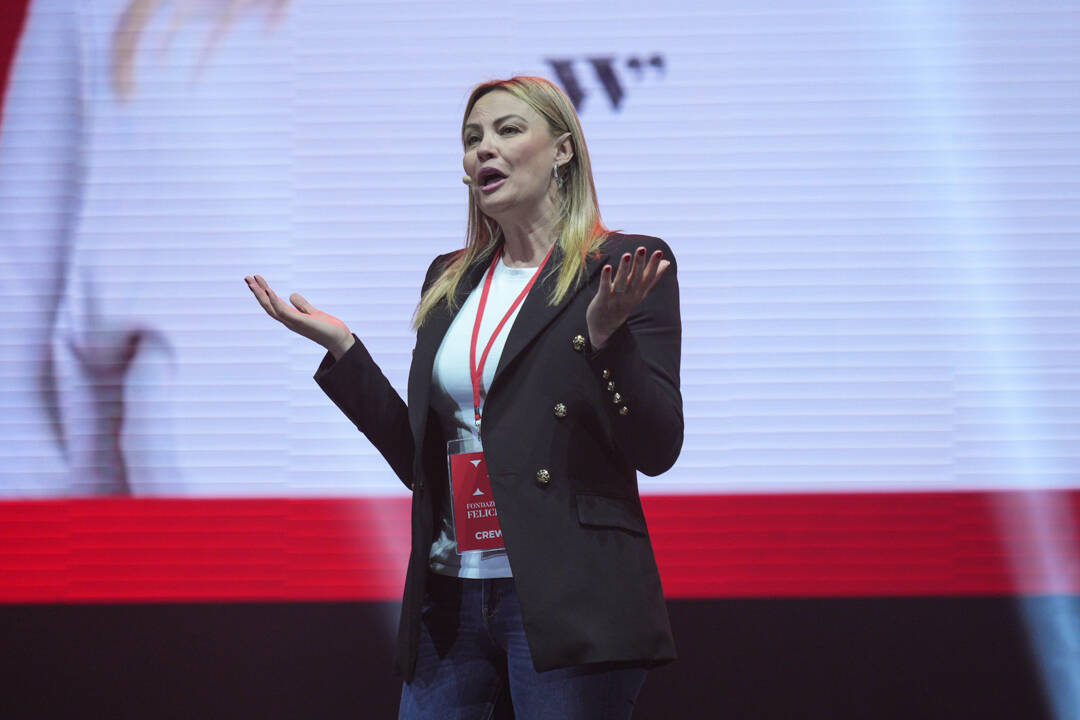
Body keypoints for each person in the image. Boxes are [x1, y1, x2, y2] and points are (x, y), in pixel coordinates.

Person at [245, 75, 682, 719]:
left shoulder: (620, 266)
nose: (484, 150)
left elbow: (658, 446)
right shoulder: (449, 280)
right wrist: (344, 352)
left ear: (563, 150)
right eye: (472, 138)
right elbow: (418, 463)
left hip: (566, 596)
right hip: (450, 597)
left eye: (508, 131)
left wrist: (608, 338)